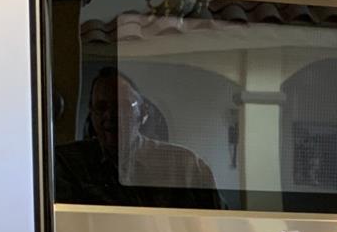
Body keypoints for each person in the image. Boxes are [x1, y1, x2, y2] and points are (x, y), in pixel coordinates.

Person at [54, 67, 221, 208]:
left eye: (123, 105)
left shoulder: (187, 166)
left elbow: (215, 224)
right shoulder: (66, 163)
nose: (111, 115)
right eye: (101, 107)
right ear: (91, 113)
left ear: (143, 112)